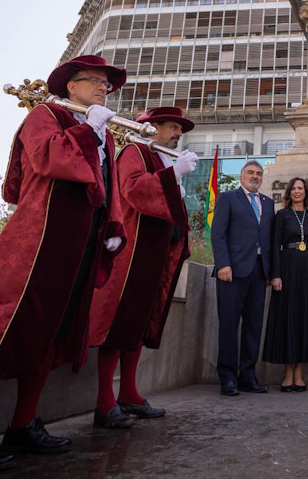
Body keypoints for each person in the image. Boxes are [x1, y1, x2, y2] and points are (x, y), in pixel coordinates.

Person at [0, 55, 127, 472]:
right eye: (94, 81)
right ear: (71, 86)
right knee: (5, 329)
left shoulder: (104, 134)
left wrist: (114, 224)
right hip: (39, 240)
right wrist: (88, 130)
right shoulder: (46, 115)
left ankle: (23, 424)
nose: (103, 88)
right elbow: (48, 159)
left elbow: (109, 186)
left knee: (52, 334)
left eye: (107, 84)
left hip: (80, 244)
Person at [88, 107, 199, 428]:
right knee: (119, 325)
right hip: (132, 252)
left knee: (139, 325)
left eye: (179, 129)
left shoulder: (160, 158)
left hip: (153, 253)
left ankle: (129, 393)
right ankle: (104, 402)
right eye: (173, 127)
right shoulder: (135, 152)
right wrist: (173, 175)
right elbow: (133, 189)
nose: (178, 134)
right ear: (152, 127)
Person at [211, 160, 275, 396]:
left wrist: (270, 271)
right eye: (250, 172)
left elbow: (269, 239)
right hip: (233, 271)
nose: (255, 176)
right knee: (229, 325)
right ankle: (228, 378)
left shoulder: (268, 203)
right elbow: (218, 234)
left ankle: (248, 376)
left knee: (253, 326)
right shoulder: (228, 198)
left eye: (258, 173)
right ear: (241, 176)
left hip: (258, 272)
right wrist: (223, 264)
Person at [263, 177, 308, 391]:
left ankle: (299, 373)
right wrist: (275, 275)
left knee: (304, 319)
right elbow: (274, 246)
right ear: (289, 193)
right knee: (287, 319)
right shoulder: (282, 215)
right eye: (294, 189)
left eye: (301, 188)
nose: (297, 191)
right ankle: (287, 374)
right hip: (287, 269)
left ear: (306, 192)